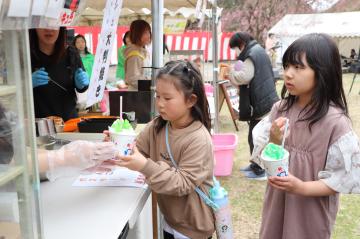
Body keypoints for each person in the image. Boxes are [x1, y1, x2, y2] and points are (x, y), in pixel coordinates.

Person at [251, 33, 360, 238]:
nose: (288, 74)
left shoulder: (335, 122)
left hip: (310, 213)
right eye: (287, 66)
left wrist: (300, 187)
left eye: (299, 67)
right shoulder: (279, 109)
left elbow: (340, 179)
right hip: (276, 204)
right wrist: (274, 140)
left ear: (323, 72)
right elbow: (266, 160)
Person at [107, 60, 215, 239]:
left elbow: (182, 183)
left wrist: (145, 166)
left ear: (190, 100)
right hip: (171, 220)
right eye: (157, 96)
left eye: (167, 98)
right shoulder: (158, 125)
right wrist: (117, 141)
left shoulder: (198, 139)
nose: (160, 104)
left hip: (193, 228)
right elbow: (137, 149)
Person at [225, 32, 279, 180]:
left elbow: (243, 77)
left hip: (262, 101)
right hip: (264, 99)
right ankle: (256, 165)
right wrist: (236, 66)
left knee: (258, 137)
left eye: (235, 48)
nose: (235, 52)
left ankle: (261, 170)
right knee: (253, 135)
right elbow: (242, 69)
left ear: (241, 44)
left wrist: (229, 71)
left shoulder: (251, 54)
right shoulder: (256, 51)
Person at [29, 27, 89, 121]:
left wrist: (81, 84)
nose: (49, 29)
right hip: (38, 125)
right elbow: (13, 92)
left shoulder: (71, 52)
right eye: (43, 24)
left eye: (54, 24)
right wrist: (27, 83)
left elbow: (82, 87)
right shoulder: (26, 55)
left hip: (69, 123)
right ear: (34, 27)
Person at [124, 20, 152, 91]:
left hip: (142, 93)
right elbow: (132, 78)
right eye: (145, 33)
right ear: (137, 34)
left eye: (149, 32)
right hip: (137, 95)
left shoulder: (142, 51)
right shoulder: (135, 55)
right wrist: (151, 84)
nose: (149, 35)